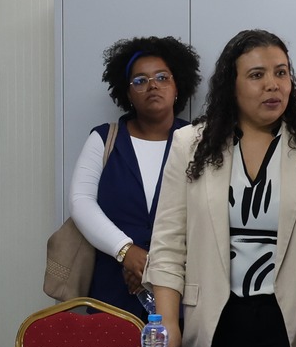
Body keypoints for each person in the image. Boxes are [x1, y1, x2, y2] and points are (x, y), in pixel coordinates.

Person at [144, 30, 296, 347]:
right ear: (231, 86)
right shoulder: (190, 145)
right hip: (214, 327)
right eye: (257, 75)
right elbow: (167, 246)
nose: (273, 85)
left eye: (281, 72)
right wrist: (168, 323)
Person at [71, 36, 201, 315]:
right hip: (113, 291)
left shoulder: (198, 141)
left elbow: (210, 213)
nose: (152, 85)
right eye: (140, 80)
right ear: (128, 94)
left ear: (177, 87)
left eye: (162, 77)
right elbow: (81, 202)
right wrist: (126, 251)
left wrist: (153, 267)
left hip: (182, 290)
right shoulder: (104, 139)